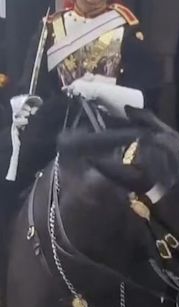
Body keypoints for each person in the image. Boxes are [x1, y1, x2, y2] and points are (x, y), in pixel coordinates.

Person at [1, 0, 162, 186]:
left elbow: (143, 96)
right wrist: (27, 107)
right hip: (58, 127)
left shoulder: (126, 28)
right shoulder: (51, 28)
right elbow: (32, 85)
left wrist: (99, 91)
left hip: (108, 130)